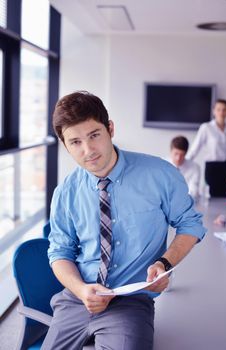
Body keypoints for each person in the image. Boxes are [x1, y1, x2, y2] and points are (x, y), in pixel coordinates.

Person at [42, 91, 206, 350]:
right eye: (75, 142)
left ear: (110, 129)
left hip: (130, 300)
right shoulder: (66, 191)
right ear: (65, 145)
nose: (88, 151)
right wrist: (81, 290)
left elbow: (191, 224)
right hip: (78, 298)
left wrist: (165, 262)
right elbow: (59, 252)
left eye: (94, 135)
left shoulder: (159, 174)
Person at [187, 99, 226, 197]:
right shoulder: (206, 128)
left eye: (224, 109)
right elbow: (195, 148)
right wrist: (185, 163)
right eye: (218, 109)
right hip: (212, 168)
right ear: (214, 111)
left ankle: (222, 213)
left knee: (223, 198)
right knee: (213, 197)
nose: (221, 112)